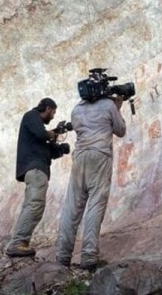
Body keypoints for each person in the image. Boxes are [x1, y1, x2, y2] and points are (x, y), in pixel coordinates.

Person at [55, 95, 126, 270]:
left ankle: (62, 256)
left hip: (80, 157)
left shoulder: (77, 109)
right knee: (95, 204)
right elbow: (121, 130)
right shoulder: (108, 105)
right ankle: (89, 255)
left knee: (72, 207)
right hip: (99, 156)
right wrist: (117, 108)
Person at [5, 97, 63, 257]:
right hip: (35, 169)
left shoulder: (37, 129)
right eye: (53, 113)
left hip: (37, 168)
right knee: (35, 204)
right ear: (48, 108)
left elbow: (50, 150)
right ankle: (18, 243)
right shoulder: (31, 116)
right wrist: (51, 133)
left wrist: (59, 147)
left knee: (32, 205)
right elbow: (40, 133)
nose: (52, 116)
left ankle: (20, 242)